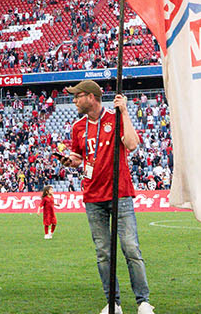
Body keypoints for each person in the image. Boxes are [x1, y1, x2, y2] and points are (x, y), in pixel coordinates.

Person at [55, 80, 153, 314]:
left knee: (131, 248)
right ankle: (113, 302)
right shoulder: (78, 127)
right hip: (92, 196)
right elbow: (80, 157)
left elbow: (132, 144)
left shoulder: (115, 118)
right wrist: (71, 161)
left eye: (77, 96)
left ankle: (143, 302)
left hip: (120, 194)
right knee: (103, 253)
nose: (74, 100)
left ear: (91, 97)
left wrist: (125, 112)